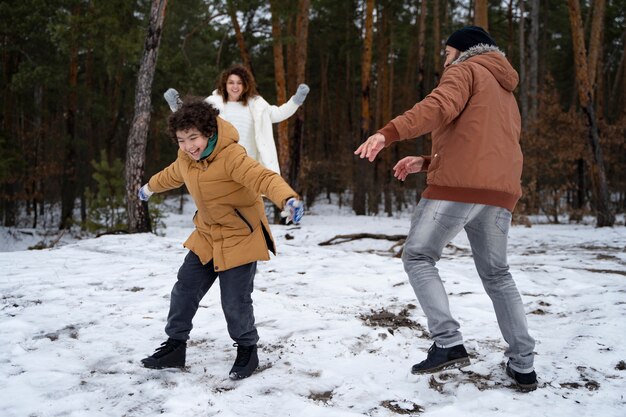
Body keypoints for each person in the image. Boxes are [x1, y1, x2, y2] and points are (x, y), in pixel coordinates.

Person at [354, 26, 537, 392]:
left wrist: (387, 133)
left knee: (418, 256)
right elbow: (482, 145)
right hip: (499, 193)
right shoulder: (504, 88)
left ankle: (448, 342)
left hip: (458, 190)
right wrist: (427, 160)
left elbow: (437, 107)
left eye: (447, 51)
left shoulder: (464, 70)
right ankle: (523, 366)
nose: (444, 59)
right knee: (498, 275)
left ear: (464, 50)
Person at [138, 98, 303, 380]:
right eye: (181, 140)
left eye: (194, 138)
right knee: (184, 290)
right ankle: (176, 346)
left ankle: (248, 349)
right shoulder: (186, 160)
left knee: (234, 301)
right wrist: (149, 187)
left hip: (241, 236)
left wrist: (287, 197)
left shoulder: (232, 157)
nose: (189, 146)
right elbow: (171, 175)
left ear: (209, 132)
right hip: (208, 234)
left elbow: (262, 178)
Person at [164, 64, 310, 175]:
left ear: (245, 85)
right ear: (225, 84)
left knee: (249, 205)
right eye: (231, 82)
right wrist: (177, 107)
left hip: (249, 164)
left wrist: (296, 100)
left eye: (239, 82)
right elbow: (192, 118)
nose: (235, 86)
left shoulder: (257, 104)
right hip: (222, 163)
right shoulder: (213, 102)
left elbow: (279, 113)